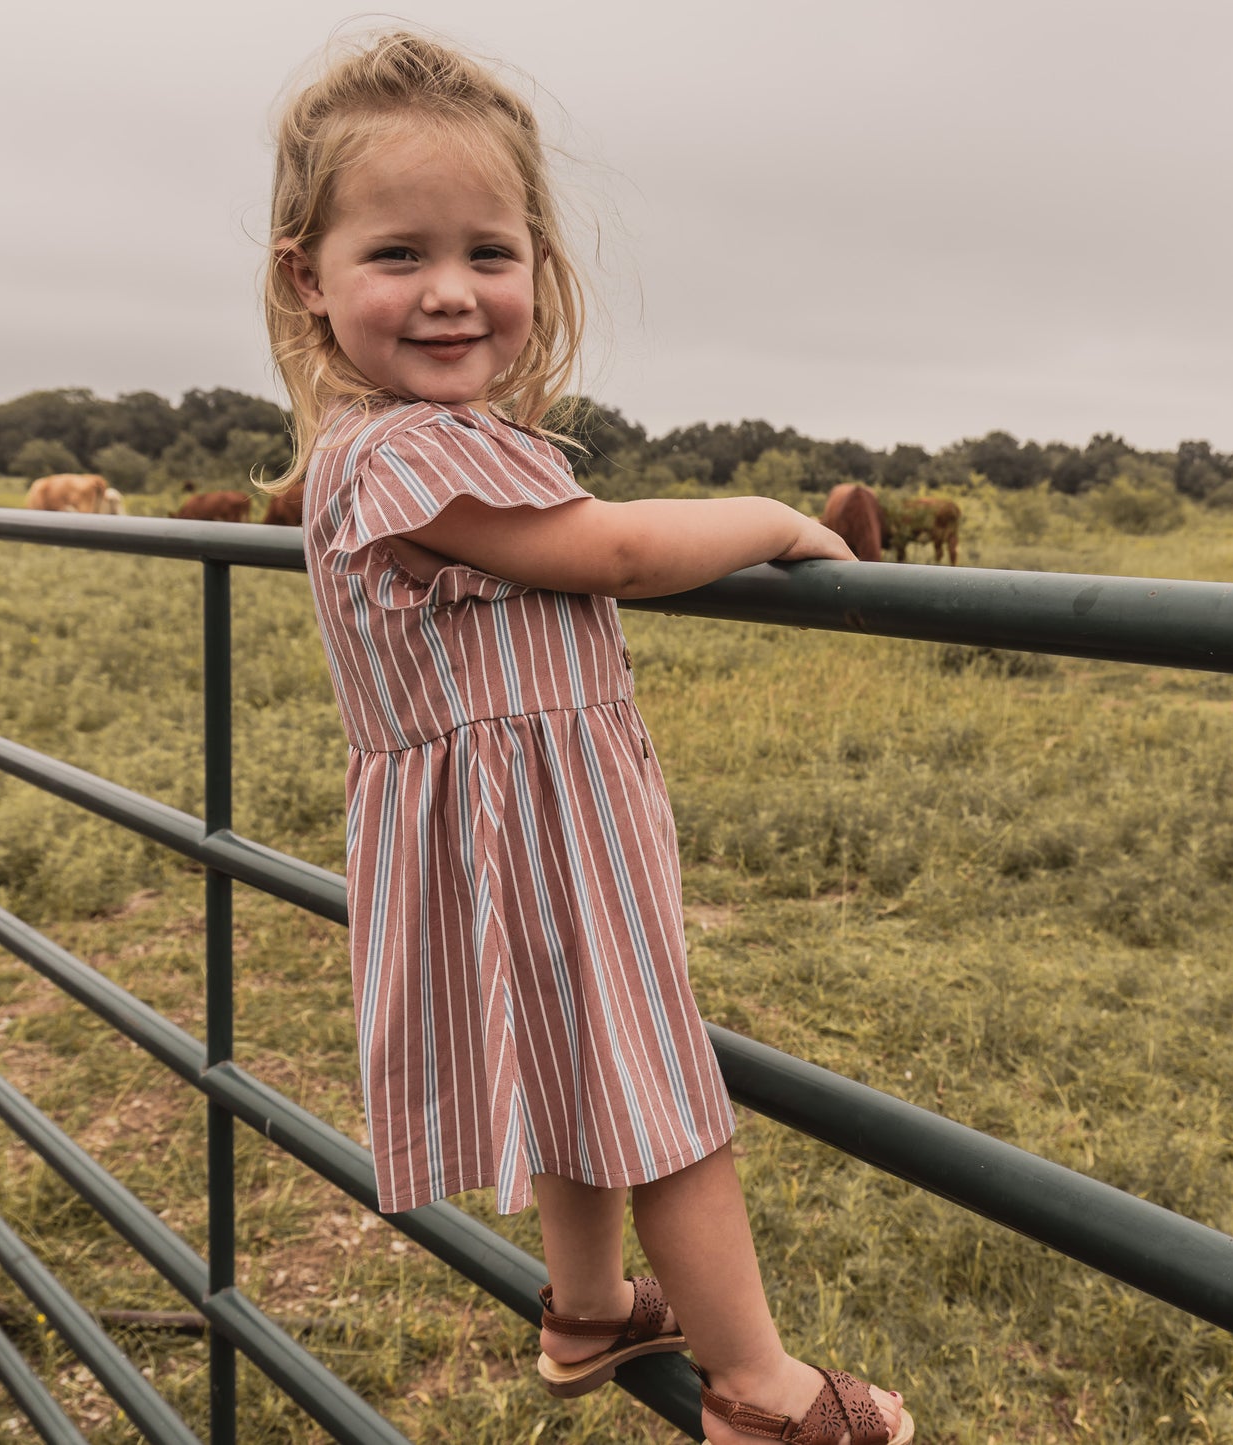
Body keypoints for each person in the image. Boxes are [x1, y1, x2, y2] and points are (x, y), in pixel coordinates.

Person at [264, 29, 914, 1445]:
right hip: (533, 815)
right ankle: (760, 1389)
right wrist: (779, 521)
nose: (450, 291)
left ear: (538, 271)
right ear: (304, 277)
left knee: (575, 1067)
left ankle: (586, 1303)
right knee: (653, 1087)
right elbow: (612, 549)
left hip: (494, 816)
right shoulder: (408, 448)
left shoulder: (355, 445)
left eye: (489, 251)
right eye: (397, 255)